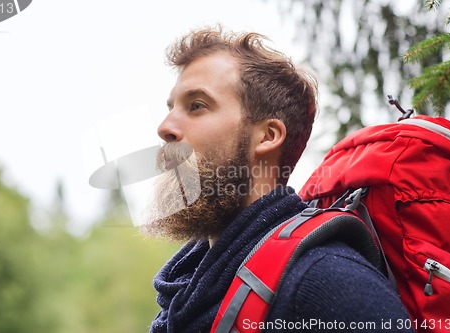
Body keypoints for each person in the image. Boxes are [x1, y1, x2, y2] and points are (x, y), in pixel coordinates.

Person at [144, 26, 413, 333]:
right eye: (171, 108)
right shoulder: (182, 292)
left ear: (267, 136)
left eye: (197, 106)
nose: (165, 127)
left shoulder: (324, 279)